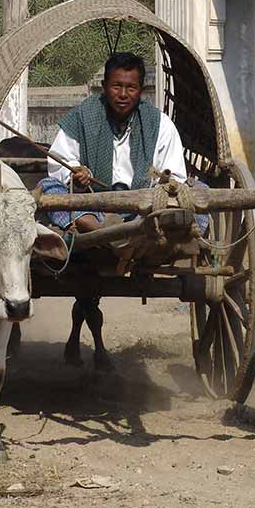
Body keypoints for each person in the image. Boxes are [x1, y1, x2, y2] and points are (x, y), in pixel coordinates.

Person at [40, 51, 192, 370]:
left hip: (142, 211)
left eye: (131, 88)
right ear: (104, 86)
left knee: (197, 195)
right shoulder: (81, 117)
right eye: (116, 86)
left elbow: (176, 177)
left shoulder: (159, 125)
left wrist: (163, 185)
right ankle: (101, 234)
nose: (123, 94)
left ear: (141, 91)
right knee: (49, 191)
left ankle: (126, 234)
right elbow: (56, 166)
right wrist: (74, 172)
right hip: (90, 207)